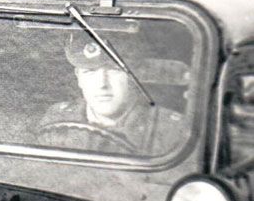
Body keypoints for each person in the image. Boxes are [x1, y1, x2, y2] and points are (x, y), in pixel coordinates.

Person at [37, 33, 185, 155]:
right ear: (79, 78)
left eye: (114, 70)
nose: (102, 84)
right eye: (90, 72)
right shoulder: (57, 119)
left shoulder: (168, 129)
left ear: (132, 77)